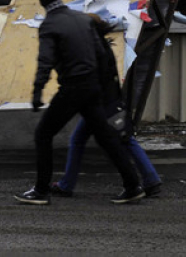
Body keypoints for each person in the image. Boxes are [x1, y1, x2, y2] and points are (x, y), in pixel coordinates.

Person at [14, 0, 144, 206]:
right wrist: (105, 87)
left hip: (72, 88)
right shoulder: (82, 19)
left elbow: (45, 61)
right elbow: (100, 54)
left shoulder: (50, 25)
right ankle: (132, 185)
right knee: (106, 138)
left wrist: (37, 91)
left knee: (43, 134)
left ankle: (41, 191)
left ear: (43, 2)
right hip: (92, 86)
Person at [51, 14, 162, 198]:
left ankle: (68, 185)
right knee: (124, 139)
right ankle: (151, 179)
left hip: (99, 105)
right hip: (111, 102)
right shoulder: (103, 46)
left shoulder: (93, 50)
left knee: (97, 141)